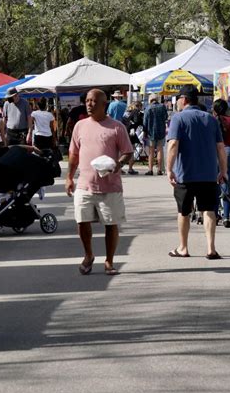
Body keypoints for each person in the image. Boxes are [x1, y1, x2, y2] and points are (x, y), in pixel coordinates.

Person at [66, 89, 133, 276]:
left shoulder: (117, 127)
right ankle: (88, 255)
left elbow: (128, 152)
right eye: (87, 100)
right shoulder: (80, 126)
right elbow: (74, 154)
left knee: (111, 224)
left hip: (110, 186)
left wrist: (118, 164)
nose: (89, 104)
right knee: (82, 221)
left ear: (104, 104)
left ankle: (109, 261)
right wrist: (69, 178)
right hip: (84, 185)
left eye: (94, 101)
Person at [166, 86, 228, 259]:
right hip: (208, 174)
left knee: (183, 211)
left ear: (184, 99)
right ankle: (211, 248)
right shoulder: (211, 119)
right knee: (209, 210)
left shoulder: (178, 118)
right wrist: (223, 170)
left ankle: (183, 247)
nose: (176, 102)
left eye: (177, 99)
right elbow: (220, 148)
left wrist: (169, 169)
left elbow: (172, 145)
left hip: (184, 175)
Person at [212, 99, 230, 228]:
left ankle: (215, 214)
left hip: (215, 153)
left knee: (215, 185)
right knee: (227, 185)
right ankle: (227, 217)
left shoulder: (211, 120)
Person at [143, 94, 168, 176]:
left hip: (150, 132)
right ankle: (159, 170)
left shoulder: (148, 108)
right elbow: (166, 117)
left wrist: (144, 132)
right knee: (160, 150)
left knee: (151, 151)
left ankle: (150, 170)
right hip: (161, 131)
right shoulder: (162, 107)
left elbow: (145, 122)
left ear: (150, 100)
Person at [122, 101, 144, 175]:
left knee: (125, 151)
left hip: (125, 132)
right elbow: (136, 121)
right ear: (139, 106)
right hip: (131, 133)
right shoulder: (135, 112)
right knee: (132, 150)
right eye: (141, 106)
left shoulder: (127, 112)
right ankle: (130, 168)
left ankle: (121, 167)